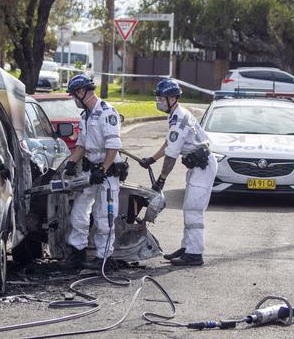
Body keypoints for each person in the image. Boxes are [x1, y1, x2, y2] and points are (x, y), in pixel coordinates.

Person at [138, 79, 217, 266]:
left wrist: (162, 179)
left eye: (162, 98)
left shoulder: (178, 120)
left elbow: (172, 155)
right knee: (189, 208)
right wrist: (152, 159)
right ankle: (187, 247)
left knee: (193, 211)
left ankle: (195, 254)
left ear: (173, 98)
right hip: (198, 167)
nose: (159, 102)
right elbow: (168, 143)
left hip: (202, 168)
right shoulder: (176, 115)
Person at [62, 74, 127, 270]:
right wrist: (71, 163)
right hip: (91, 172)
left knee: (103, 218)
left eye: (75, 95)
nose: (74, 100)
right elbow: (81, 145)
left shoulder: (108, 113)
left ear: (82, 92)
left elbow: (113, 146)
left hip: (107, 174)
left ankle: (103, 258)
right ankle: (78, 252)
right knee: (79, 212)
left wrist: (103, 168)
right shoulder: (85, 116)